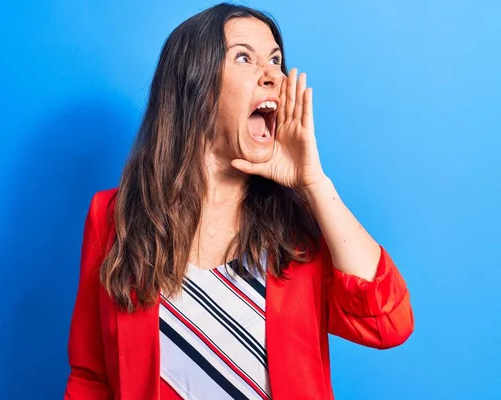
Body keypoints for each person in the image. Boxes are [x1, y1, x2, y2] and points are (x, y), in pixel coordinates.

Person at [64, 3, 414, 400]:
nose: (274, 76)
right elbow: (91, 376)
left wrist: (315, 184)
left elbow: (389, 323)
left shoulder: (299, 230)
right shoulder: (114, 217)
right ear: (194, 87)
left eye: (276, 60)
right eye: (244, 57)